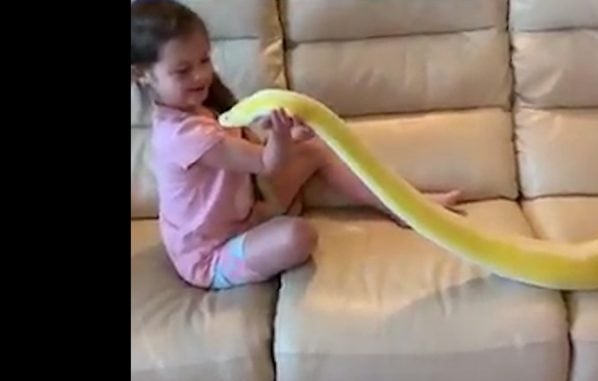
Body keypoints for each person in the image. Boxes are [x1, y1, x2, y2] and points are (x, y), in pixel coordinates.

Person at [130, 0, 463, 290]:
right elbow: (267, 163)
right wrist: (279, 142)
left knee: (314, 149)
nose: (201, 76)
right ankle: (269, 229)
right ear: (143, 74)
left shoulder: (202, 107)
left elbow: (253, 153)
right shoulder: (182, 136)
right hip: (211, 255)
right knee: (297, 236)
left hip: (246, 214)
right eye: (182, 70)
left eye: (204, 60)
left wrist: (286, 138)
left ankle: (405, 208)